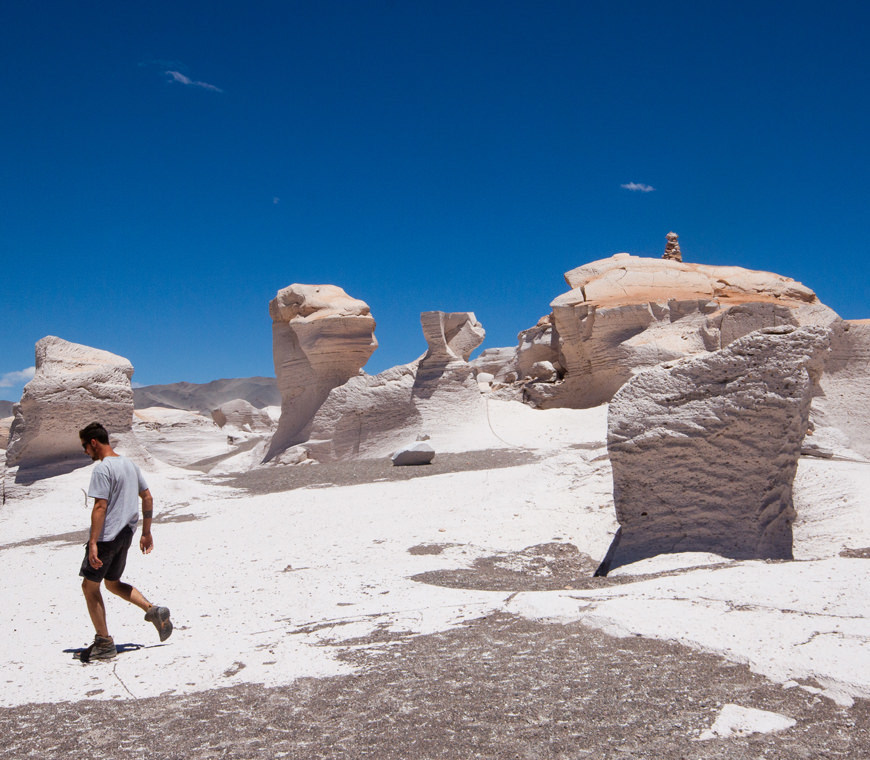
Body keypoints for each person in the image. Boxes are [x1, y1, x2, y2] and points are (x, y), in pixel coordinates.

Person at [77, 421, 172, 662]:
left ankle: (104, 642)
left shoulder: (102, 468)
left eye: (85, 447)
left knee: (89, 587)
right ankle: (152, 610)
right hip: (126, 535)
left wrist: (94, 542)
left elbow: (100, 506)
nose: (85, 452)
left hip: (108, 536)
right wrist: (146, 532)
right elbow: (147, 497)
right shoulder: (130, 465)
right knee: (112, 582)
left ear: (93, 442)